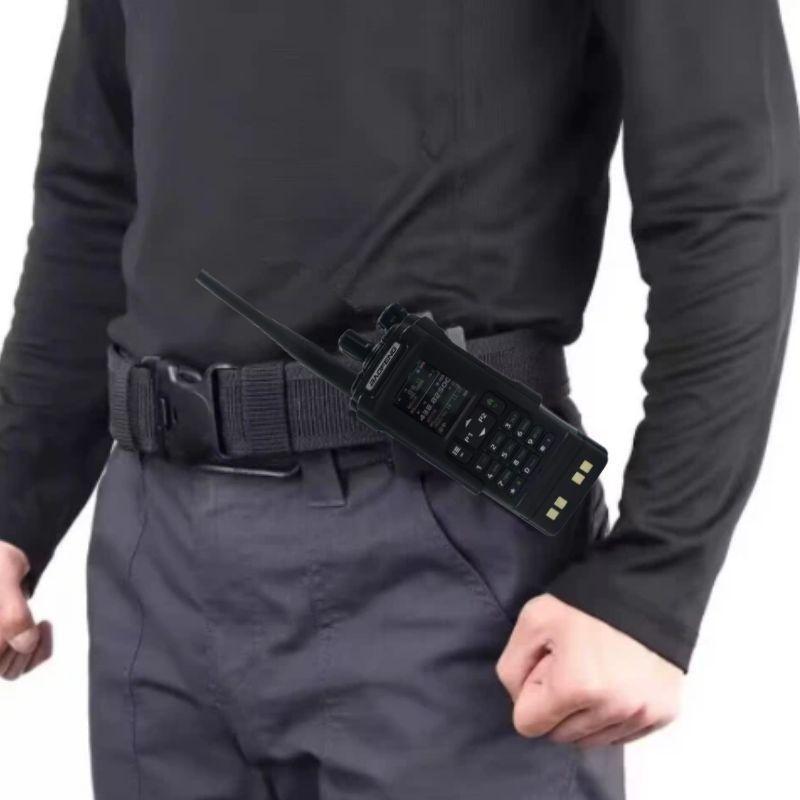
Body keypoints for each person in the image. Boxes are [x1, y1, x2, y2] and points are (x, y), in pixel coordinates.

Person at [0, 1, 798, 798]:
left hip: (444, 548)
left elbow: (725, 189)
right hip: (155, 554)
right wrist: (14, 510)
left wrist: (655, 581)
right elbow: (96, 192)